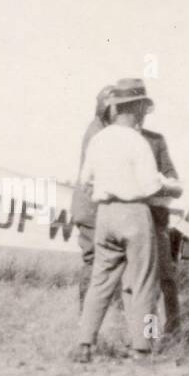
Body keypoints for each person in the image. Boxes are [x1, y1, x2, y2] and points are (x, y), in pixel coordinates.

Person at [74, 78, 182, 362]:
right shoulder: (138, 141)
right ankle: (142, 346)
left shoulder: (98, 138)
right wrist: (169, 186)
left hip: (105, 214)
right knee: (144, 282)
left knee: (100, 281)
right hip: (134, 213)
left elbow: (85, 180)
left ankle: (84, 343)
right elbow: (150, 187)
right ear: (137, 108)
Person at [73, 85, 115, 304]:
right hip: (91, 209)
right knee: (94, 262)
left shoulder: (99, 129)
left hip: (91, 208)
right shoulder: (98, 133)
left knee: (97, 262)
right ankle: (86, 317)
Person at [139, 124, 181, 337]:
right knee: (141, 283)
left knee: (164, 277)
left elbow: (172, 175)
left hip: (156, 217)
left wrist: (166, 184)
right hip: (131, 218)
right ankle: (145, 336)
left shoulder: (155, 140)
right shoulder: (115, 138)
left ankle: (171, 331)